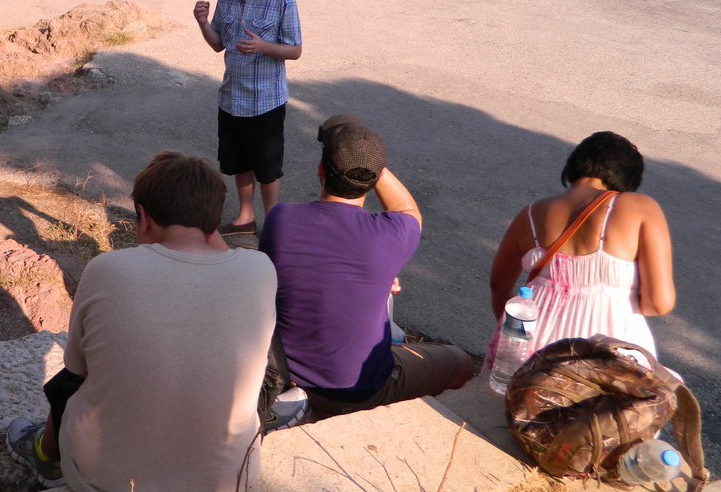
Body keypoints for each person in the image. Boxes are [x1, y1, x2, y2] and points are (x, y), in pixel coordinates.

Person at [5, 152, 276, 492]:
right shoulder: (260, 269)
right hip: (231, 486)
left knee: (66, 383)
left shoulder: (107, 269)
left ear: (144, 218)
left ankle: (45, 456)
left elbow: (78, 369)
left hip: (108, 486)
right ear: (213, 224)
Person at [259, 115, 472, 419]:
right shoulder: (392, 235)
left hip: (288, 379)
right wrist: (370, 163)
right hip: (361, 390)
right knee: (460, 362)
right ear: (374, 181)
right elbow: (408, 209)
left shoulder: (281, 220)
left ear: (320, 171)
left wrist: (349, 152)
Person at [488, 131, 675, 363]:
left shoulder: (530, 213)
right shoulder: (640, 207)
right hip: (610, 361)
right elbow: (659, 303)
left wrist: (515, 336)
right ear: (627, 182)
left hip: (530, 360)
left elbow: (498, 285)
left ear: (573, 165)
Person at [193, 0, 302, 236]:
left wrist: (264, 47)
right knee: (238, 162)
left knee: (267, 170)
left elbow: (295, 50)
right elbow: (218, 44)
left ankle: (272, 226)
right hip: (232, 98)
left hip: (266, 101)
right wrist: (203, 23)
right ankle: (245, 219)